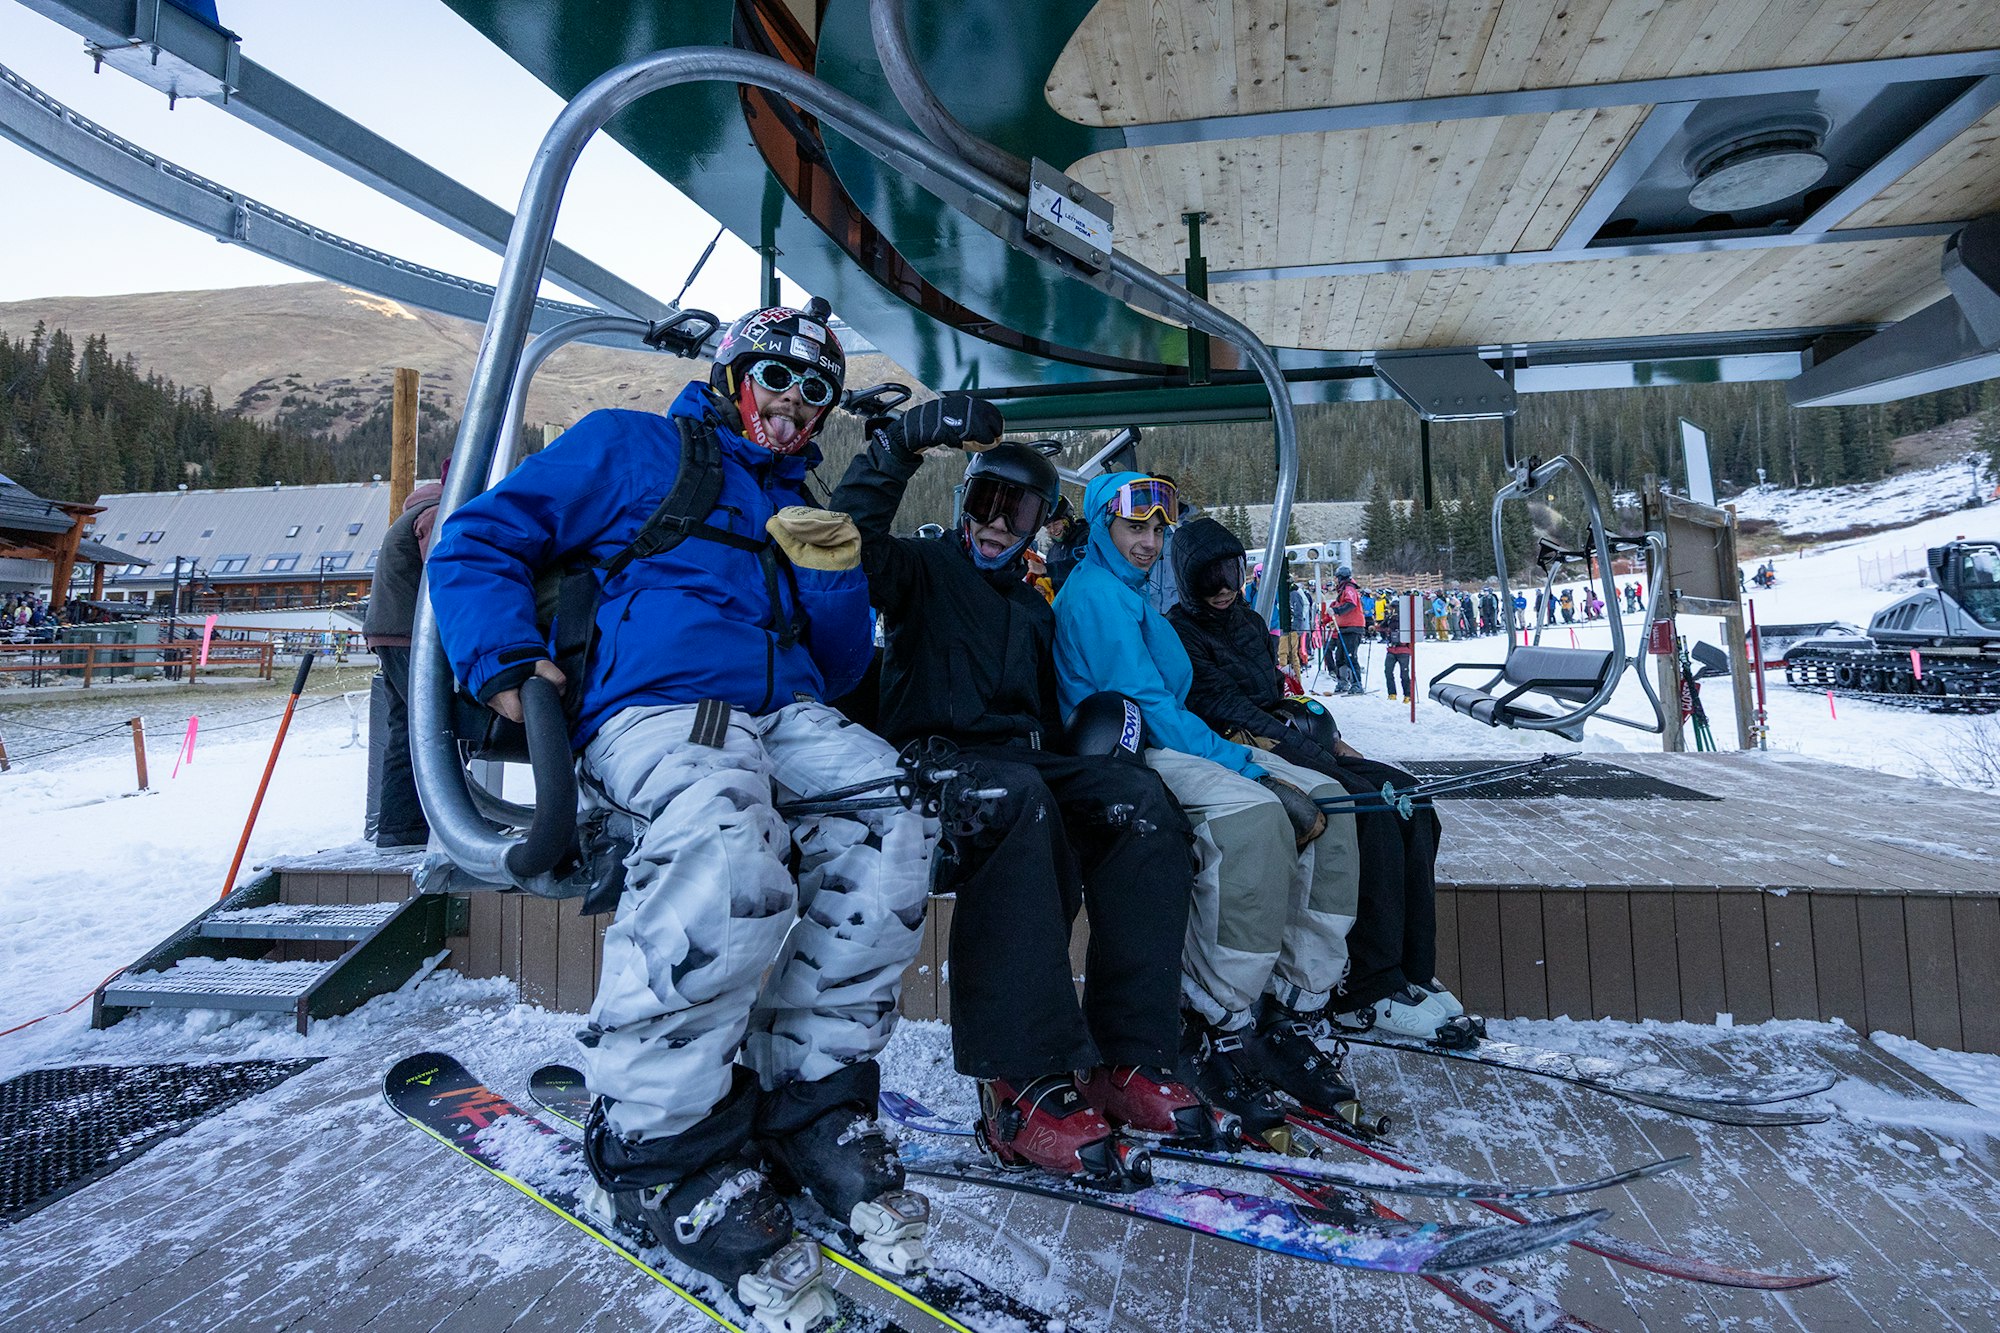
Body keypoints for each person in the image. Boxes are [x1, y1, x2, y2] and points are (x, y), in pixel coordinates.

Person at [427, 300, 936, 1325]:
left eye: (816, 394)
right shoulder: (631, 448)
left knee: (895, 817)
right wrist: (503, 662)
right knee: (722, 831)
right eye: (776, 379)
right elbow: (475, 539)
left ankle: (807, 1095)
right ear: (730, 372)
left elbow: (833, 673)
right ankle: (654, 1141)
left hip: (783, 710)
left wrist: (833, 581)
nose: (793, 408)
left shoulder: (801, 503)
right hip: (655, 705)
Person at [828, 397, 1204, 1181]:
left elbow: (1051, 718)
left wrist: (1102, 752)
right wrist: (899, 447)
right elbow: (848, 542)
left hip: (1022, 763)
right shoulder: (921, 571)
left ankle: (1128, 1054)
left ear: (1036, 522)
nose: (996, 523)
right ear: (964, 502)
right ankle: (1019, 1082)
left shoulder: (1033, 609)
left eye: (1017, 509)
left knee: (1140, 806)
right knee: (1022, 806)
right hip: (930, 766)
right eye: (984, 502)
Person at [1053, 474, 1361, 1130]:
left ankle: (1288, 1006)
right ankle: (1214, 1017)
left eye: (1157, 530)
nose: (1148, 541)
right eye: (1135, 527)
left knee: (1333, 803)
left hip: (1175, 735)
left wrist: (1259, 757)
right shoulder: (1097, 598)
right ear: (1103, 524)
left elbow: (1179, 698)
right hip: (1132, 749)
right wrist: (1253, 769)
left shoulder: (1131, 592)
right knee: (1251, 821)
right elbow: (1155, 709)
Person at [1165, 517, 1459, 1044]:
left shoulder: (1249, 624)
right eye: (1208, 580)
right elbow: (1225, 707)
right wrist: (1315, 752)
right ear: (1186, 582)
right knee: (1366, 810)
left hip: (1291, 731)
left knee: (1412, 799)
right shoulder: (1180, 631)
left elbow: (1279, 689)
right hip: (1246, 742)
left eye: (1230, 573)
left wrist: (1332, 736)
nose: (1224, 590)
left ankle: (1411, 967)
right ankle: (1366, 984)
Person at [362, 466, 446, 848]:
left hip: (392, 632)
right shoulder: (435, 513)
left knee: (407, 729)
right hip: (409, 635)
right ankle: (426, 824)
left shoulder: (418, 510)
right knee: (430, 728)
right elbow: (445, 569)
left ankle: (401, 828)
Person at [1329, 564, 1365, 695]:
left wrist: (1337, 610)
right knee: (1340, 657)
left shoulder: (1349, 588)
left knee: (1350, 656)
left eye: (1337, 578)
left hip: (1353, 627)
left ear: (1341, 578)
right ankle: (1343, 682)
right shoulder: (1342, 590)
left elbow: (1351, 604)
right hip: (1344, 628)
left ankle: (1356, 683)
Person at [1381, 594, 1414, 702]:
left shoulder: (1406, 619)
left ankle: (1407, 695)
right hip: (1391, 649)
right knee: (1388, 672)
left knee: (1404, 674)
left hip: (1403, 650)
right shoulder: (1390, 618)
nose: (1392, 610)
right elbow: (1382, 626)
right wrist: (1374, 628)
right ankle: (1392, 693)